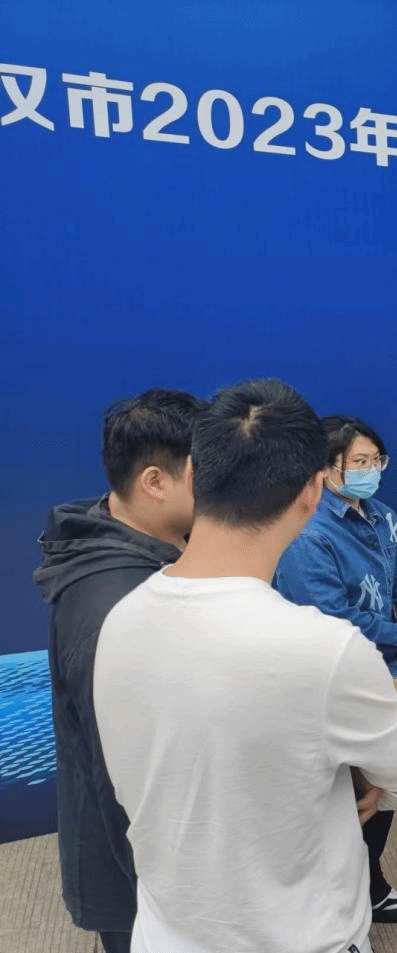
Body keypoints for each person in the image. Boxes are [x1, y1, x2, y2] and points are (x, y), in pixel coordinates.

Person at [94, 379, 397, 953]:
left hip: (163, 936)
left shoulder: (119, 620)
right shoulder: (326, 649)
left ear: (194, 476)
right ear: (312, 490)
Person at [34, 388, 205, 953]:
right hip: (137, 877)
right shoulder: (114, 607)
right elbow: (120, 778)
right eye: (205, 471)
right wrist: (168, 896)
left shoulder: (147, 543)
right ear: (155, 481)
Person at [274, 414, 397, 924]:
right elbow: (332, 620)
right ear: (324, 468)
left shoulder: (384, 517)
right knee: (345, 796)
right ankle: (338, 907)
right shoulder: (308, 532)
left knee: (383, 787)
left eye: (376, 461)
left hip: (392, 679)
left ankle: (371, 885)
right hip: (335, 684)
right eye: (358, 462)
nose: (370, 471)